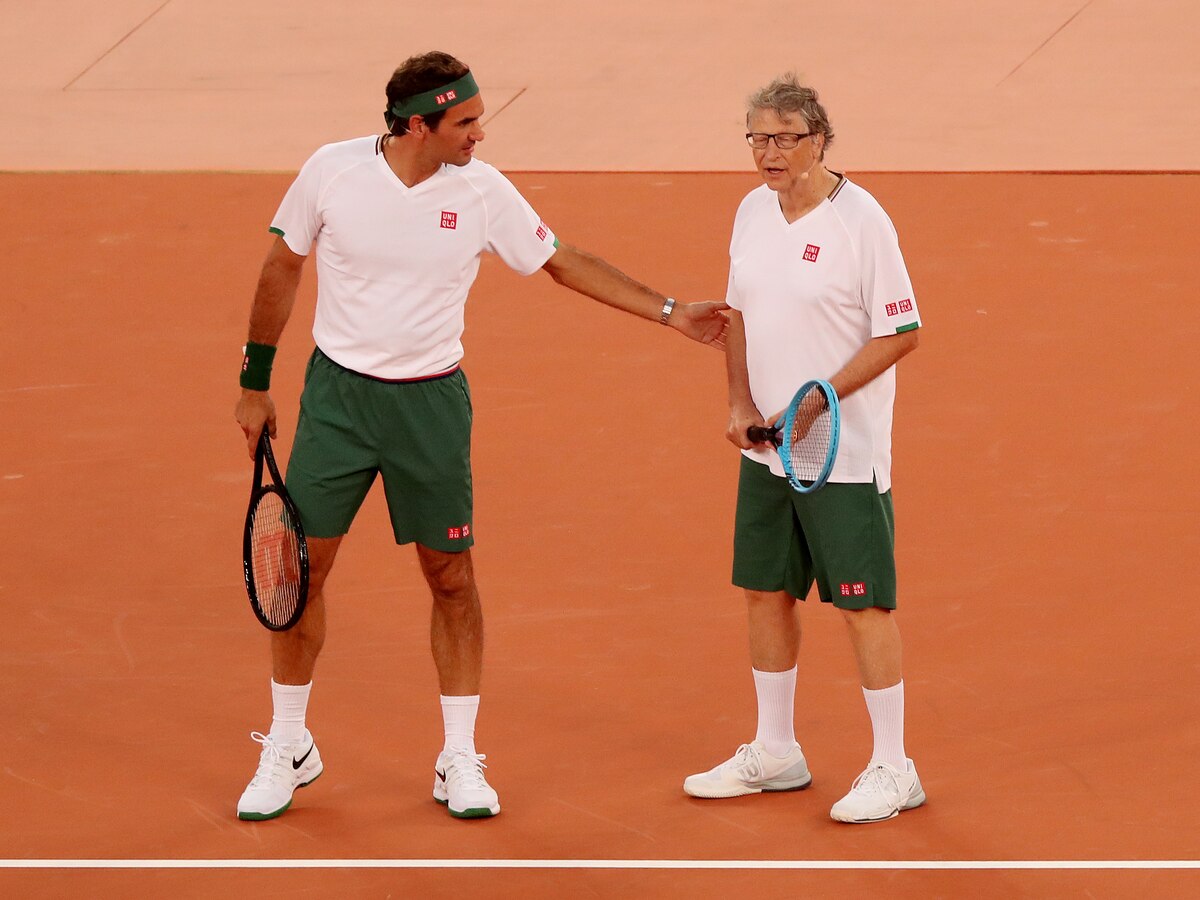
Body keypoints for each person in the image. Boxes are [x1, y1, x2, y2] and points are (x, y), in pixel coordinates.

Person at [233, 50, 729, 822]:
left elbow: (562, 263)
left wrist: (672, 314)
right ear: (417, 125)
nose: (479, 135)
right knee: (299, 574)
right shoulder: (330, 173)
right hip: (337, 402)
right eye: (464, 122)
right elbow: (280, 266)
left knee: (452, 578)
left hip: (431, 405)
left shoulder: (482, 191)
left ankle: (457, 755)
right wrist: (254, 382)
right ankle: (290, 745)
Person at [682, 74, 924, 823]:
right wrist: (738, 404)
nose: (769, 152)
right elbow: (739, 316)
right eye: (757, 137)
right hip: (768, 449)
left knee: (863, 604)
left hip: (840, 457)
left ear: (819, 140)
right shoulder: (752, 212)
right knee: (765, 591)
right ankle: (777, 749)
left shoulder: (864, 222)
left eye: (785, 137)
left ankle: (894, 767)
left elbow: (901, 331)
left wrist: (818, 398)